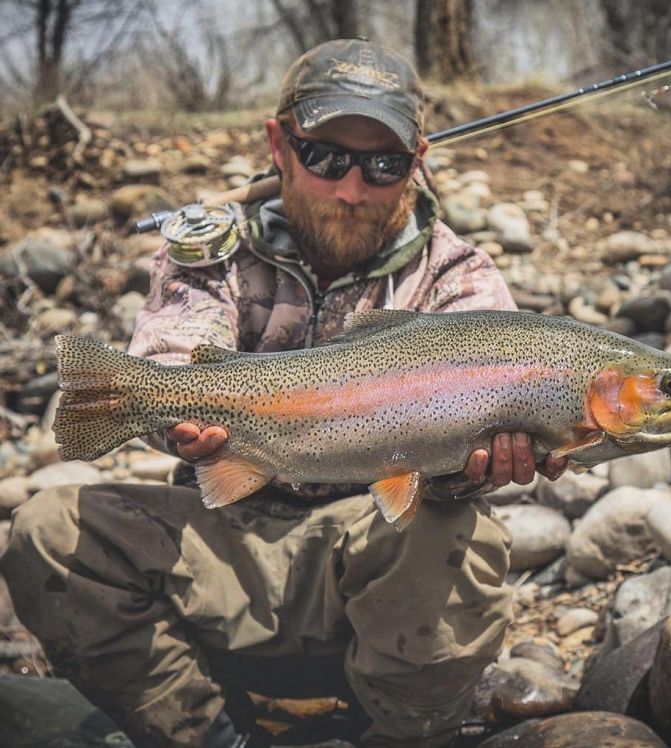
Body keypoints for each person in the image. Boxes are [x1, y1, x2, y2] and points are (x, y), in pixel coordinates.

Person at [2, 39, 566, 748]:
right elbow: (175, 350)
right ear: (278, 142)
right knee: (49, 532)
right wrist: (173, 421)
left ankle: (395, 733)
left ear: (416, 161)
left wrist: (478, 465)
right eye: (326, 157)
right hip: (223, 556)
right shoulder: (215, 249)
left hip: (378, 575)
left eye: (383, 164)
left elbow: (470, 456)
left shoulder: (460, 281)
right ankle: (210, 735)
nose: (351, 189)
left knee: (463, 530)